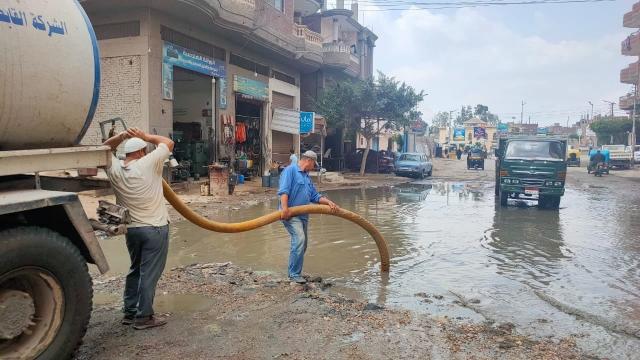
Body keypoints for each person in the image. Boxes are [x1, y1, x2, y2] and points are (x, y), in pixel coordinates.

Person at [103, 127, 175, 330]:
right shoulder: (148, 164)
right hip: (155, 229)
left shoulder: (115, 168)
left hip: (132, 229)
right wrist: (146, 136)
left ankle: (130, 312)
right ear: (142, 151)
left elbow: (103, 149)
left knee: (135, 269)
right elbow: (168, 143)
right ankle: (144, 317)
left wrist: (122, 136)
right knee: (149, 274)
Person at [278, 150, 339, 284]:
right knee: (299, 239)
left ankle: (296, 272)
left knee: (303, 244)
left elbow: (315, 196)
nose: (314, 167)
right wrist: (285, 209)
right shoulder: (290, 171)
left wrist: (328, 202)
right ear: (309, 160)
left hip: (303, 216)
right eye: (314, 164)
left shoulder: (307, 178)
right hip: (290, 214)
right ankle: (293, 275)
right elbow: (284, 191)